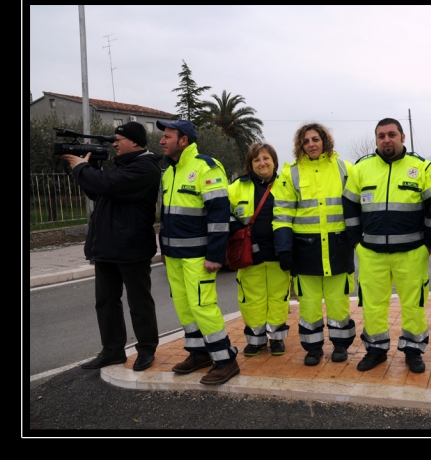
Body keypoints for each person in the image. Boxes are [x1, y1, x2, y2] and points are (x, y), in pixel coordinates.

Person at [60, 121, 161, 372]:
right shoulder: (122, 167)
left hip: (132, 247)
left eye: (118, 139)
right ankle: (112, 351)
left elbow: (107, 185)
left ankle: (146, 349)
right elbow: (99, 191)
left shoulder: (145, 168)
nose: (114, 144)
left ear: (135, 142)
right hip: (106, 247)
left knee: (139, 303)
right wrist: (86, 168)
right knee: (106, 302)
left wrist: (82, 167)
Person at [342, 118, 431, 374]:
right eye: (381, 135)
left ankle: (413, 351)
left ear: (402, 137)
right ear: (376, 139)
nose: (387, 139)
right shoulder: (361, 169)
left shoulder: (422, 167)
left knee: (414, 305)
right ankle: (376, 350)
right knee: (372, 305)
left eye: (392, 134)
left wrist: (428, 244)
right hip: (371, 254)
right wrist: (355, 242)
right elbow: (349, 208)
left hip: (412, 254)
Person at [157, 119, 239, 385]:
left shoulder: (206, 167)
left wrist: (215, 255)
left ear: (183, 140)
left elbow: (219, 215)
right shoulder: (168, 172)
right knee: (185, 307)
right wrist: (164, 251)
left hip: (198, 256)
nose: (162, 140)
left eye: (167, 136)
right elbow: (168, 214)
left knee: (203, 307)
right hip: (174, 257)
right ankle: (199, 353)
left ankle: (226, 360)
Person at [273, 123, 356, 366]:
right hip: (304, 249)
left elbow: (355, 206)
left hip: (338, 246)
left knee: (338, 301)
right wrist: (284, 248)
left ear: (325, 141)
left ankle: (341, 345)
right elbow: (282, 214)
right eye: (306, 141)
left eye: (315, 139)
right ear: (301, 145)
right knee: (308, 304)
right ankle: (313, 347)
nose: (311, 144)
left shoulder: (344, 168)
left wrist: (355, 238)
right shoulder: (291, 173)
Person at [228, 143, 291, 357]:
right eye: (256, 160)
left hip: (277, 254)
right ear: (250, 164)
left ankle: (276, 340)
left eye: (266, 158)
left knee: (278, 298)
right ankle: (256, 340)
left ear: (274, 161)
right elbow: (224, 214)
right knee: (251, 300)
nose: (262, 163)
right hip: (249, 255)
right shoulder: (237, 187)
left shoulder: (286, 184)